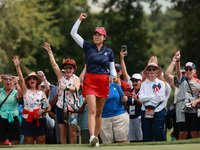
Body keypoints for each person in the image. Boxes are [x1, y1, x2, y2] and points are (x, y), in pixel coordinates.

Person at [70, 13, 117, 147]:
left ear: (104, 37)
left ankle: (95, 138)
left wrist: (113, 77)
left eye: (99, 34)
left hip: (103, 81)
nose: (96, 36)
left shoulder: (109, 51)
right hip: (90, 80)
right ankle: (92, 137)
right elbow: (73, 33)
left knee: (99, 113)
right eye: (95, 34)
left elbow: (112, 69)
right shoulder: (87, 47)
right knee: (92, 110)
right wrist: (79, 19)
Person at [43, 42, 80, 144]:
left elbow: (76, 88)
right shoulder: (61, 77)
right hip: (60, 107)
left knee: (72, 133)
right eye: (66, 68)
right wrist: (50, 52)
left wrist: (66, 87)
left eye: (70, 68)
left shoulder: (76, 78)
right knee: (62, 133)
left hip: (72, 107)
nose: (68, 69)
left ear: (74, 69)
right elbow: (54, 65)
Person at [12, 55, 51, 144]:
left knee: (41, 140)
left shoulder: (41, 93)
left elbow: (48, 108)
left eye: (34, 78)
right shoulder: (26, 91)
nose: (32, 79)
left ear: (37, 81)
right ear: (28, 82)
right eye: (30, 78)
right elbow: (21, 79)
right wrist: (17, 66)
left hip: (40, 118)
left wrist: (42, 111)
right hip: (27, 119)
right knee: (29, 141)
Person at [175, 50, 200, 140]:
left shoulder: (199, 83)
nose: (188, 71)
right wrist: (177, 61)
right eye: (186, 69)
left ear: (195, 71)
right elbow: (178, 73)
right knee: (182, 133)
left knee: (195, 133)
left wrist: (196, 101)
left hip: (193, 110)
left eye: (190, 69)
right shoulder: (182, 80)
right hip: (182, 109)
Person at [139, 61, 166, 142]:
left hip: (158, 110)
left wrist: (147, 98)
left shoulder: (161, 83)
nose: (151, 71)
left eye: (154, 69)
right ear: (147, 72)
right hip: (145, 110)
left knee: (158, 134)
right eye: (150, 69)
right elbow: (140, 98)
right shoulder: (143, 84)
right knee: (146, 135)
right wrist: (152, 96)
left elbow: (160, 98)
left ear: (157, 71)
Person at [100, 77, 129, 143]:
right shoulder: (97, 87)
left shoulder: (116, 86)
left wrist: (125, 98)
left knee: (122, 140)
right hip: (104, 117)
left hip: (119, 115)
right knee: (107, 143)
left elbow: (122, 97)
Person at [0, 74, 23, 145]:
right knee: (1, 140)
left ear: (12, 83)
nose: (8, 81)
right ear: (3, 82)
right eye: (6, 79)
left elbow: (20, 96)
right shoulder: (0, 91)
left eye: (10, 80)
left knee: (15, 139)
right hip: (2, 116)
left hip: (13, 117)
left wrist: (17, 83)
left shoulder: (15, 92)